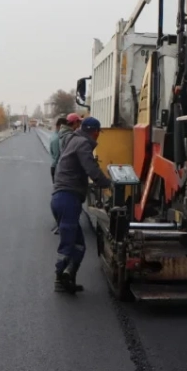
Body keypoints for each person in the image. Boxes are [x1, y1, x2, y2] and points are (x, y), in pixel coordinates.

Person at [51, 116, 111, 293]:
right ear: (95, 132)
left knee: (79, 244)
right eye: (98, 133)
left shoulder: (73, 140)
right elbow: (91, 168)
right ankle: (60, 278)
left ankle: (68, 277)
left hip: (62, 198)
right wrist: (108, 184)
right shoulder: (83, 144)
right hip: (67, 198)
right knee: (68, 242)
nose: (98, 136)